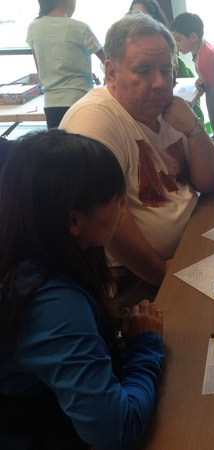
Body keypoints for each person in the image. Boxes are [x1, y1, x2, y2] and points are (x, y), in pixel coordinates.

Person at [0, 130, 164, 450]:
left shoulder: (34, 250)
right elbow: (116, 431)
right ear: (74, 221)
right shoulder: (52, 304)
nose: (124, 208)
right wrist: (144, 347)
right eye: (116, 198)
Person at [60, 13, 214, 304]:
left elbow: (210, 182)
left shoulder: (169, 109)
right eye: (144, 70)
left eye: (166, 69)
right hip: (134, 275)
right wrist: (162, 274)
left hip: (191, 246)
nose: (160, 83)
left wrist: (194, 128)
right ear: (111, 72)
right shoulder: (95, 119)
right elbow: (109, 224)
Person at [26, 0, 106, 128]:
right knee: (83, 141)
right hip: (80, 100)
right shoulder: (81, 28)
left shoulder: (34, 28)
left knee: (58, 141)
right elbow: (108, 62)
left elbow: (41, 69)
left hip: (51, 103)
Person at [128, 0, 206, 123]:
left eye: (144, 16)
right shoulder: (127, 43)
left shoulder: (165, 43)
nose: (138, 21)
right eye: (134, 15)